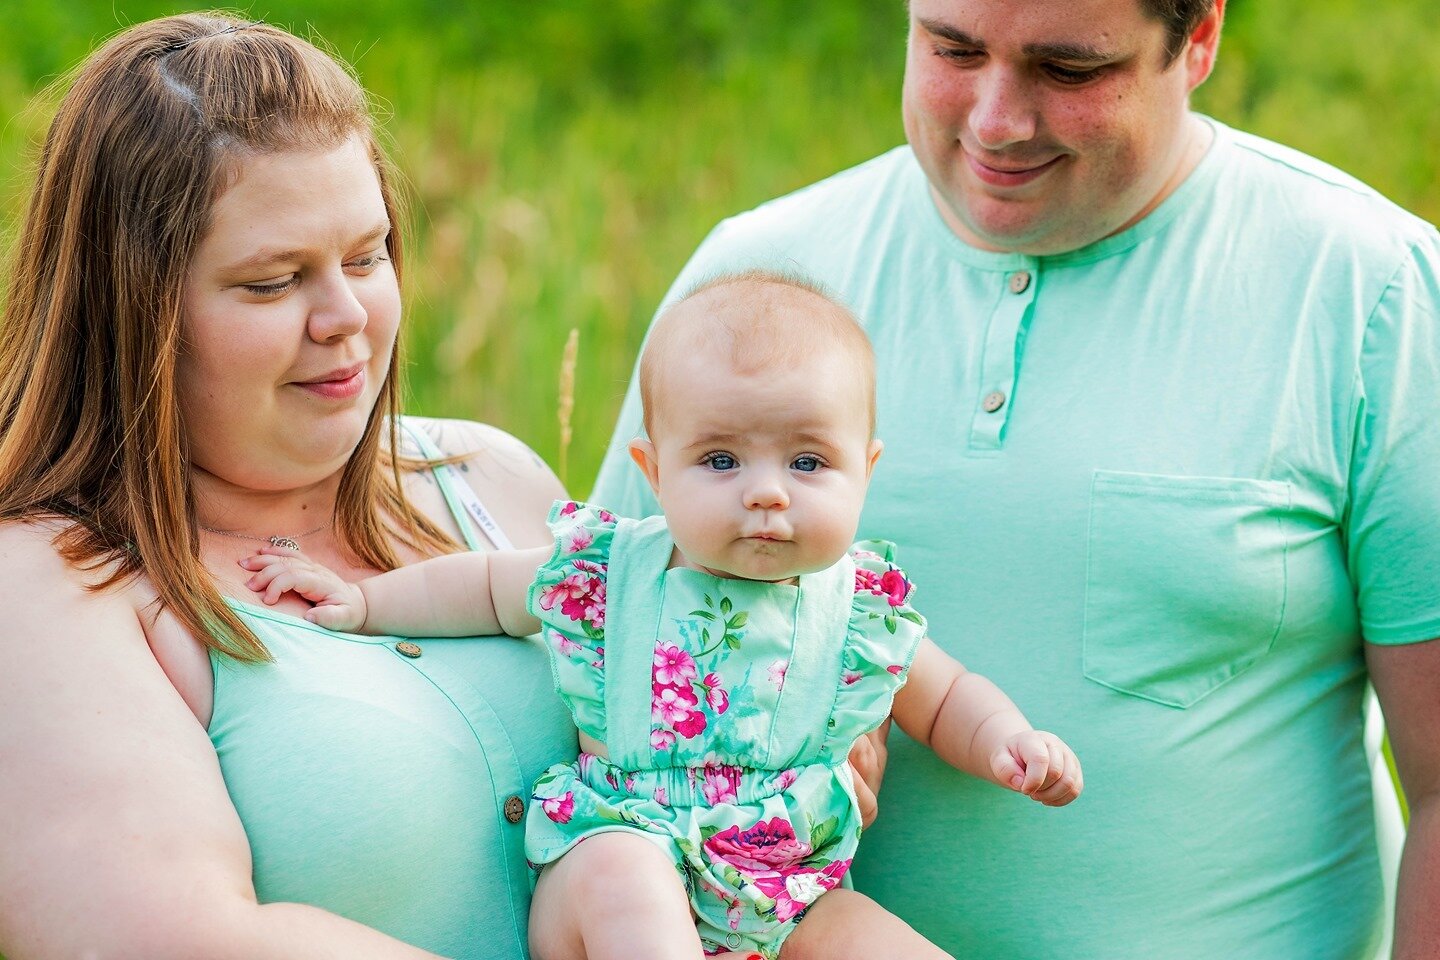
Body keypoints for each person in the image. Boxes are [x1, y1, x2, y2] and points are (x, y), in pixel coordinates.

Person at [591, 2, 1440, 959]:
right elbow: (610, 624)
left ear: (1198, 36)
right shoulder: (750, 280)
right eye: (953, 48)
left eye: (1068, 70)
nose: (997, 119)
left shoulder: (1374, 292)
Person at [241, 271, 1083, 960]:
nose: (765, 489)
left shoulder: (860, 610)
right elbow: (485, 589)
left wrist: (1010, 741)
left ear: (865, 470)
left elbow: (943, 697)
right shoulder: (611, 572)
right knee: (628, 885)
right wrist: (364, 602)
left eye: (807, 460)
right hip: (618, 847)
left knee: (881, 944)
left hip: (789, 897)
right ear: (653, 468)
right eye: (720, 458)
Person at [0, 15, 583, 960]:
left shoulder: (490, 478)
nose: (346, 315)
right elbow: (172, 939)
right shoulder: (50, 587)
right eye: (274, 283)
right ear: (133, 313)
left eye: (366, 255)